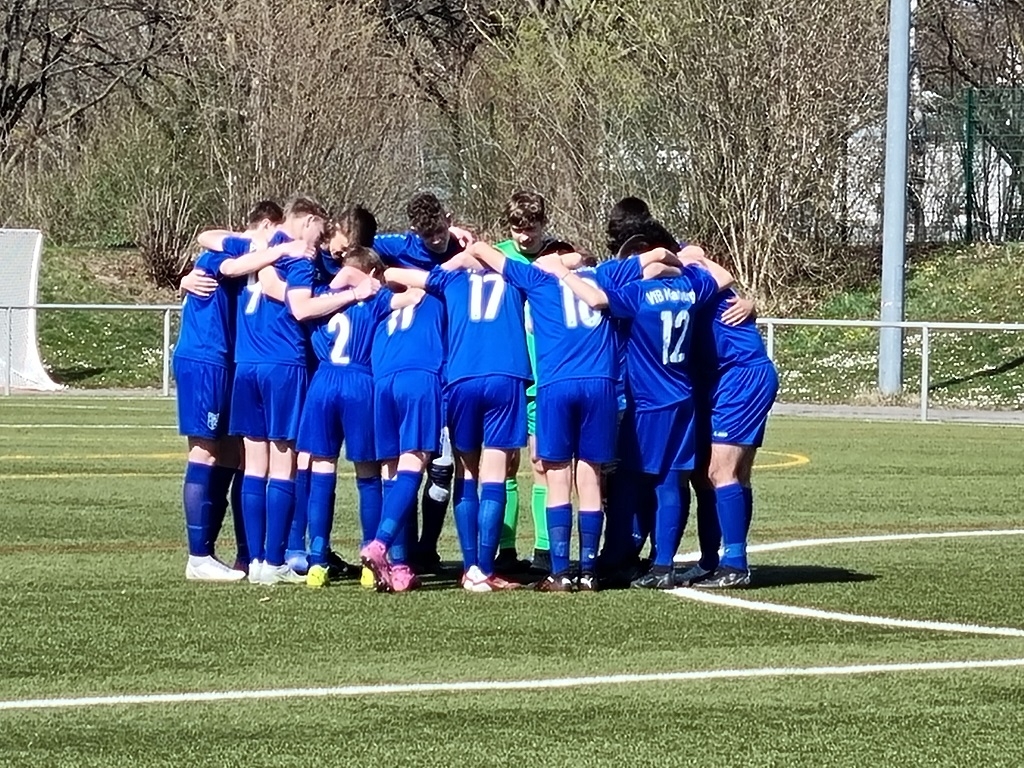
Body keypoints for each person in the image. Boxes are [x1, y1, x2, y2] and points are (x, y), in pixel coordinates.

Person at [540, 223, 735, 589]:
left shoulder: (637, 294)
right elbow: (723, 277)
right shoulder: (689, 287)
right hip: (683, 395)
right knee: (672, 481)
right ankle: (663, 565)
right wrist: (684, 261)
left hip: (647, 401)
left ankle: (618, 557)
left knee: (629, 481)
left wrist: (563, 272)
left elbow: (596, 299)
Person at [466, 240, 618, 591]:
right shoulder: (606, 275)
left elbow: (485, 252)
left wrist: (468, 241)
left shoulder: (538, 277)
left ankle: (560, 572)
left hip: (556, 384)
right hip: (601, 383)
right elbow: (652, 260)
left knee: (557, 475)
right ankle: (590, 571)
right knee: (591, 475)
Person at [384, 248, 530, 592]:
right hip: (505, 373)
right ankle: (485, 569)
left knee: (466, 470)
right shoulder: (515, 276)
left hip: (462, 376)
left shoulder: (452, 279)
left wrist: (454, 262)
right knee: (495, 472)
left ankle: (470, 569)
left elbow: (392, 274)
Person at [174, 201, 285, 581]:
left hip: (226, 362)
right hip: (204, 359)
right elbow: (215, 245)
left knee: (234, 454)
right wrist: (279, 248)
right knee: (204, 450)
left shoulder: (246, 252)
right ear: (266, 226)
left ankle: (242, 554)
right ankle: (198, 556)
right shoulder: (239, 249)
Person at [679, 286, 778, 589]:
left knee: (722, 472)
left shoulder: (692, 272)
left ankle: (735, 564)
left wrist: (751, 305)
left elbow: (711, 268)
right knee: (706, 475)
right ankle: (712, 561)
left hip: (740, 377)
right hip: (717, 379)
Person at [490, 191, 567, 575]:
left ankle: (543, 550)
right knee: (503, 463)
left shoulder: (559, 256)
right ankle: (504, 549)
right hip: (507, 372)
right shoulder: (496, 256)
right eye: (517, 228)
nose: (524, 236)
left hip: (545, 375)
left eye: (531, 228)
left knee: (542, 462)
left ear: (543, 224)